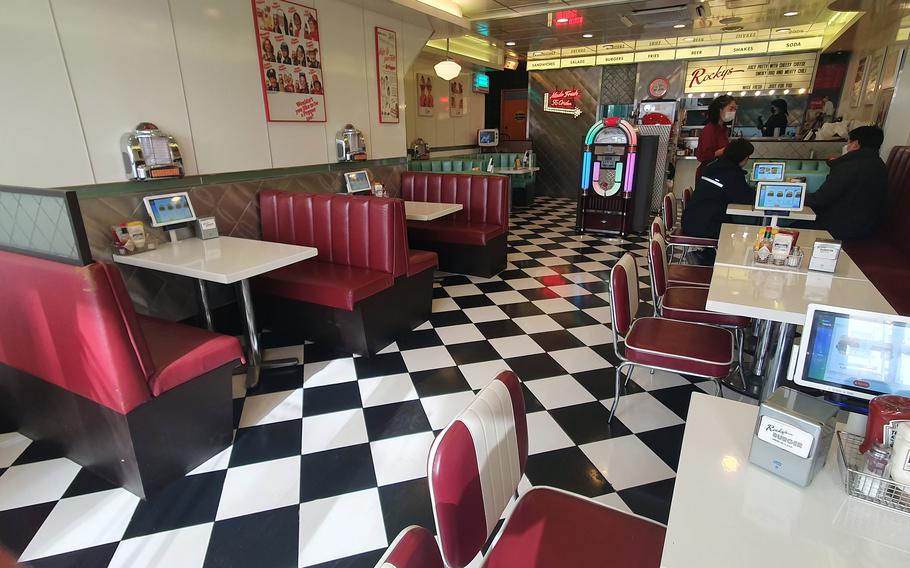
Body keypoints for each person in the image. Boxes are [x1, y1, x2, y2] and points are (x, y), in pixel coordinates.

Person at [805, 125, 887, 240]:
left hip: (839, 229)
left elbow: (821, 199)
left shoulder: (849, 168)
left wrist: (796, 198)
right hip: (864, 227)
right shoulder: (879, 165)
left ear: (855, 144)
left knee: (792, 227)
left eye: (849, 142)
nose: (847, 147)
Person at [682, 138, 757, 245]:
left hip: (691, 220)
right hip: (705, 225)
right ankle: (709, 257)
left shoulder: (714, 166)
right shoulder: (732, 174)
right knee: (738, 229)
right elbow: (746, 198)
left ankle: (705, 255)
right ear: (743, 158)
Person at [695, 95, 737, 179]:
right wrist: (728, 149)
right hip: (709, 174)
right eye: (731, 109)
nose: (733, 112)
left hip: (718, 171)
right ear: (720, 109)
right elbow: (705, 155)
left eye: (735, 109)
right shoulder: (709, 129)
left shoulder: (724, 129)